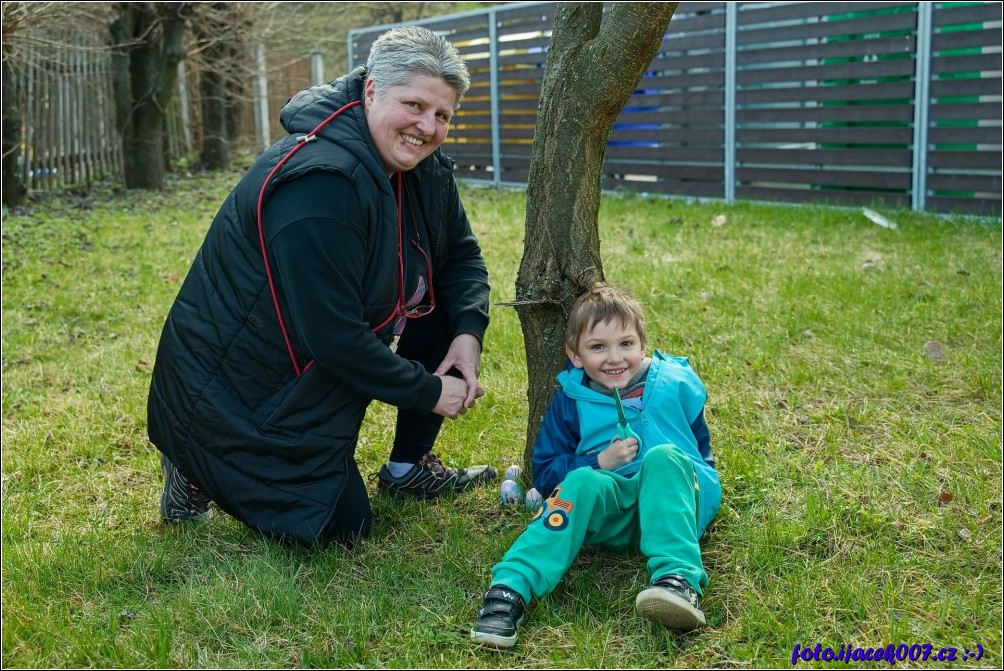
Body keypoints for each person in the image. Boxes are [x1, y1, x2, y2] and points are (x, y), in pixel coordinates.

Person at [147, 26, 496, 546]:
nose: (427, 127)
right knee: (342, 528)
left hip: (316, 361)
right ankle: (195, 463)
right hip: (240, 388)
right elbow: (332, 336)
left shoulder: (424, 171)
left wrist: (467, 334)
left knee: (443, 305)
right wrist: (428, 392)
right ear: (372, 91)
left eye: (442, 115)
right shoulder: (321, 182)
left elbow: (461, 257)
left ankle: (407, 468)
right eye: (415, 105)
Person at [470, 284, 721, 648]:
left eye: (625, 344)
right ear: (574, 355)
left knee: (664, 456)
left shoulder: (674, 383)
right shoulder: (571, 401)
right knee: (583, 480)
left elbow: (701, 446)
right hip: (614, 514)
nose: (614, 358)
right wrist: (599, 461)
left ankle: (677, 581)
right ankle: (509, 589)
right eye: (598, 347)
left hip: (675, 504)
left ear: (642, 344)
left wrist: (702, 491)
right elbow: (547, 471)